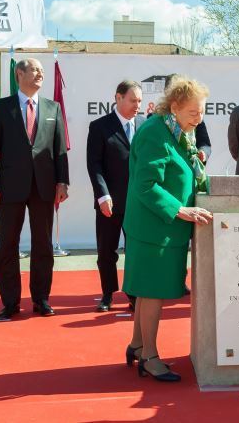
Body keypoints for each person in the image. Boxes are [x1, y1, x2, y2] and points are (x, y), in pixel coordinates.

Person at [122, 77, 213, 382]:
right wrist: (180, 209)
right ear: (174, 107)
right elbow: (145, 185)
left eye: (201, 112)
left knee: (148, 293)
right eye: (193, 112)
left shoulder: (177, 131)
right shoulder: (155, 134)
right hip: (153, 230)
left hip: (165, 230)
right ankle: (149, 356)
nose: (199, 118)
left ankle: (137, 345)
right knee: (151, 293)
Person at [0, 58, 70, 322]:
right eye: (35, 70)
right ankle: (10, 303)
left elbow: (60, 150)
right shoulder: (1, 107)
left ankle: (41, 299)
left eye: (43, 71)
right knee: (8, 244)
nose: (40, 74)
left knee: (43, 245)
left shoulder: (52, 107)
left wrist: (62, 182)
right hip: (9, 188)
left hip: (44, 187)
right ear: (19, 74)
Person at [86, 80, 145, 312]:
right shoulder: (100, 126)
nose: (137, 105)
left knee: (135, 250)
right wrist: (102, 195)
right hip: (110, 201)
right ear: (118, 98)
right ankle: (108, 294)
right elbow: (94, 164)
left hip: (139, 202)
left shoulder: (145, 124)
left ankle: (133, 294)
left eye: (139, 101)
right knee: (106, 250)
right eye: (133, 100)